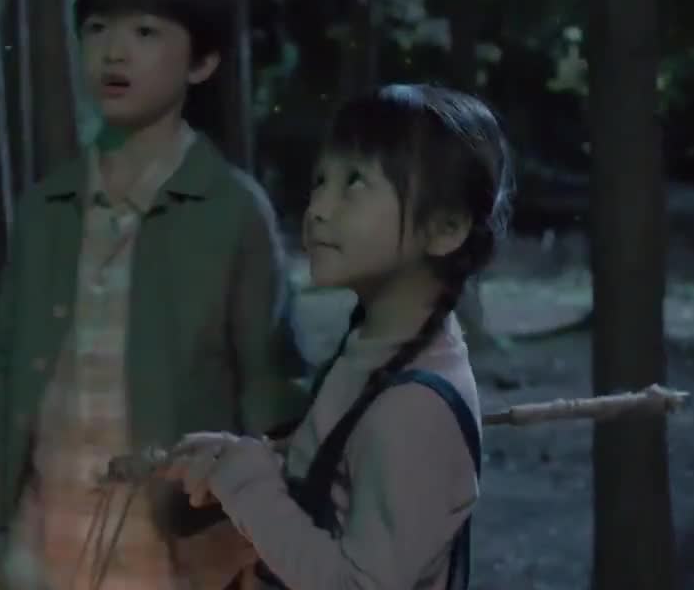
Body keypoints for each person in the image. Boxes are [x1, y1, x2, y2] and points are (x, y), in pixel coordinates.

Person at [0, 0, 309, 589]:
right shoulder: (46, 209)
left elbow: (272, 389)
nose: (114, 52)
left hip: (169, 552)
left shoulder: (232, 211)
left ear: (202, 61)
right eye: (98, 29)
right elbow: (12, 366)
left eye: (146, 32)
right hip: (43, 539)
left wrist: (263, 537)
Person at [165, 84, 514, 589]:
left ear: (445, 228)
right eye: (321, 181)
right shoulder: (372, 349)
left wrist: (251, 486)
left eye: (354, 184)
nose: (319, 209)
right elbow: (332, 483)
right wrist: (244, 461)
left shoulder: (416, 408)